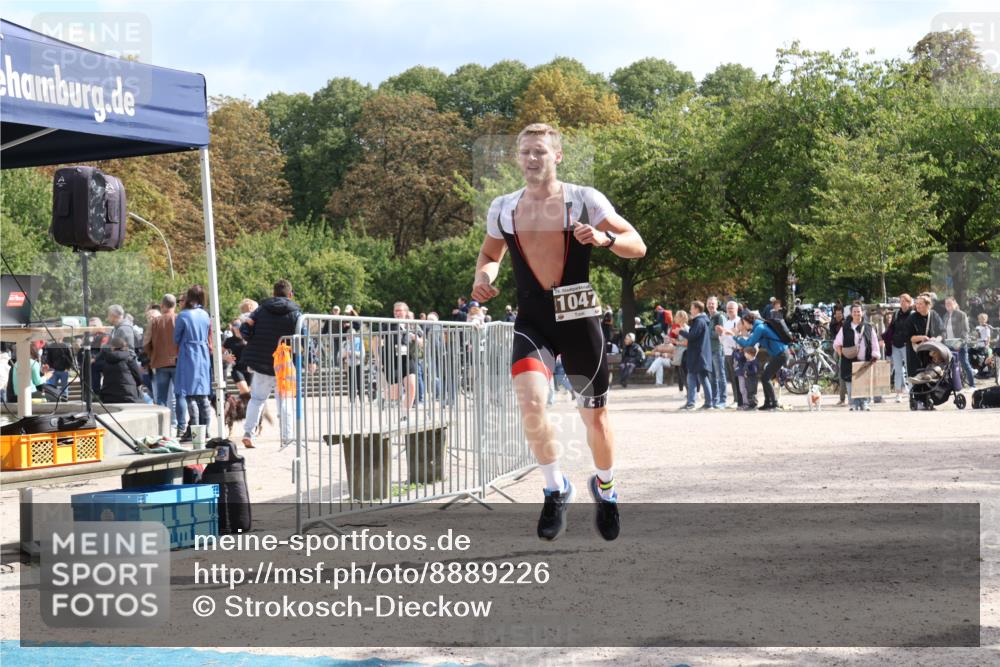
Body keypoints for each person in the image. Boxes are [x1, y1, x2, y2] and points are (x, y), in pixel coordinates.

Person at [470, 122, 646, 541]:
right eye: (526, 152)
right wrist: (484, 276)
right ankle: (555, 487)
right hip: (533, 319)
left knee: (596, 419)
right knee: (530, 403)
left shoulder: (584, 199)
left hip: (578, 313)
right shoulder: (504, 207)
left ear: (557, 156)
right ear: (518, 158)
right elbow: (490, 254)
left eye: (540, 152)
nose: (532, 159)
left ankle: (605, 487)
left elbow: (636, 244)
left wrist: (604, 239)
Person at [240, 279, 302, 449]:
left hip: (262, 362)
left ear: (273, 293)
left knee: (257, 399)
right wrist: (309, 360)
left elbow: (244, 330)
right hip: (284, 363)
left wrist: (252, 337)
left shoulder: (260, 310)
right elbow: (304, 338)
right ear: (290, 294)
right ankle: (287, 437)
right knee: (286, 401)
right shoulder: (296, 313)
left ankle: (248, 433)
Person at [727, 311, 789, 411]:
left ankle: (774, 403)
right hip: (778, 354)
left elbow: (749, 344)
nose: (743, 325)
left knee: (765, 378)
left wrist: (736, 336)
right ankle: (768, 403)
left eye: (743, 322)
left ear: (748, 321)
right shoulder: (758, 327)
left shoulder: (760, 328)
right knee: (765, 377)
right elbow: (749, 340)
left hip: (781, 354)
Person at [833, 302, 882, 411]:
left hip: (865, 360)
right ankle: (853, 404)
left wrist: (875, 356)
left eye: (858, 311)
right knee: (850, 383)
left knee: (864, 383)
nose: (856, 314)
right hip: (849, 361)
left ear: (862, 312)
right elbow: (837, 343)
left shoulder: (869, 327)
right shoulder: (845, 327)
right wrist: (843, 355)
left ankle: (864, 403)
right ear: (851, 313)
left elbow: (874, 342)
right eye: (854, 312)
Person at [145, 294, 180, 429]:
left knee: (161, 398)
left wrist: (153, 355)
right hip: (177, 362)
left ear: (162, 306)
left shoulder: (155, 321)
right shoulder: (179, 319)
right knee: (179, 396)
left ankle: (162, 426)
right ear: (175, 305)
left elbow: (146, 343)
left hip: (160, 363)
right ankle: (178, 425)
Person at [679, 300, 714, 410]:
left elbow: (692, 336)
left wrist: (680, 332)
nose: (690, 310)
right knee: (700, 379)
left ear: (697, 309)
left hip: (698, 356)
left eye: (692, 308)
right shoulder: (701, 321)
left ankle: (693, 403)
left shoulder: (699, 321)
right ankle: (702, 403)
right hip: (699, 356)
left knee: (694, 378)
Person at [903, 294, 944, 376]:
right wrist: (922, 338)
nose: (917, 306)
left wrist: (936, 340)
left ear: (928, 305)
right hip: (916, 355)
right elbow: (908, 337)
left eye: (920, 304)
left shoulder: (934, 315)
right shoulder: (912, 318)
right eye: (917, 303)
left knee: (932, 377)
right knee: (916, 377)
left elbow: (942, 333)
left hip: (931, 355)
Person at [97, 337, 144, 403]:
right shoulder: (129, 358)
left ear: (112, 347)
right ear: (124, 346)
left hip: (108, 396)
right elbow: (139, 378)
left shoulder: (106, 360)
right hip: (128, 395)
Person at [944, 297, 975, 389]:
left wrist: (960, 343)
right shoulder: (945, 315)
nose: (948, 305)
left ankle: (972, 385)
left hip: (959, 343)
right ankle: (955, 385)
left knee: (965, 363)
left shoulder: (961, 314)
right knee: (949, 366)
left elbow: (965, 330)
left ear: (955, 304)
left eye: (950, 303)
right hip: (948, 344)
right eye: (946, 304)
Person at [889, 294, 914, 403]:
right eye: (901, 301)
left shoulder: (912, 314)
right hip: (896, 344)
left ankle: (913, 392)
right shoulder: (896, 313)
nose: (902, 303)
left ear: (909, 302)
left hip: (906, 345)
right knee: (898, 370)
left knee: (910, 369)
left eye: (904, 301)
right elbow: (892, 327)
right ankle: (898, 393)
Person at [718, 300, 742, 409]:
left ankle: (739, 400)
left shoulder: (739, 321)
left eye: (732, 309)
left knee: (737, 377)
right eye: (728, 309)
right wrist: (720, 334)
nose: (730, 311)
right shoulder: (726, 322)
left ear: (736, 310)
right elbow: (722, 339)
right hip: (727, 352)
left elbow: (740, 337)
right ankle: (736, 399)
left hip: (736, 352)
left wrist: (731, 333)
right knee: (732, 378)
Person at [706, 296, 727, 408]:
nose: (710, 305)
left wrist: (708, 335)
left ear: (717, 305)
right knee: (712, 377)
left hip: (718, 350)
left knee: (720, 376)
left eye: (712, 304)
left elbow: (722, 334)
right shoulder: (710, 318)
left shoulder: (720, 317)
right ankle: (715, 400)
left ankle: (723, 400)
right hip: (710, 351)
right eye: (709, 303)